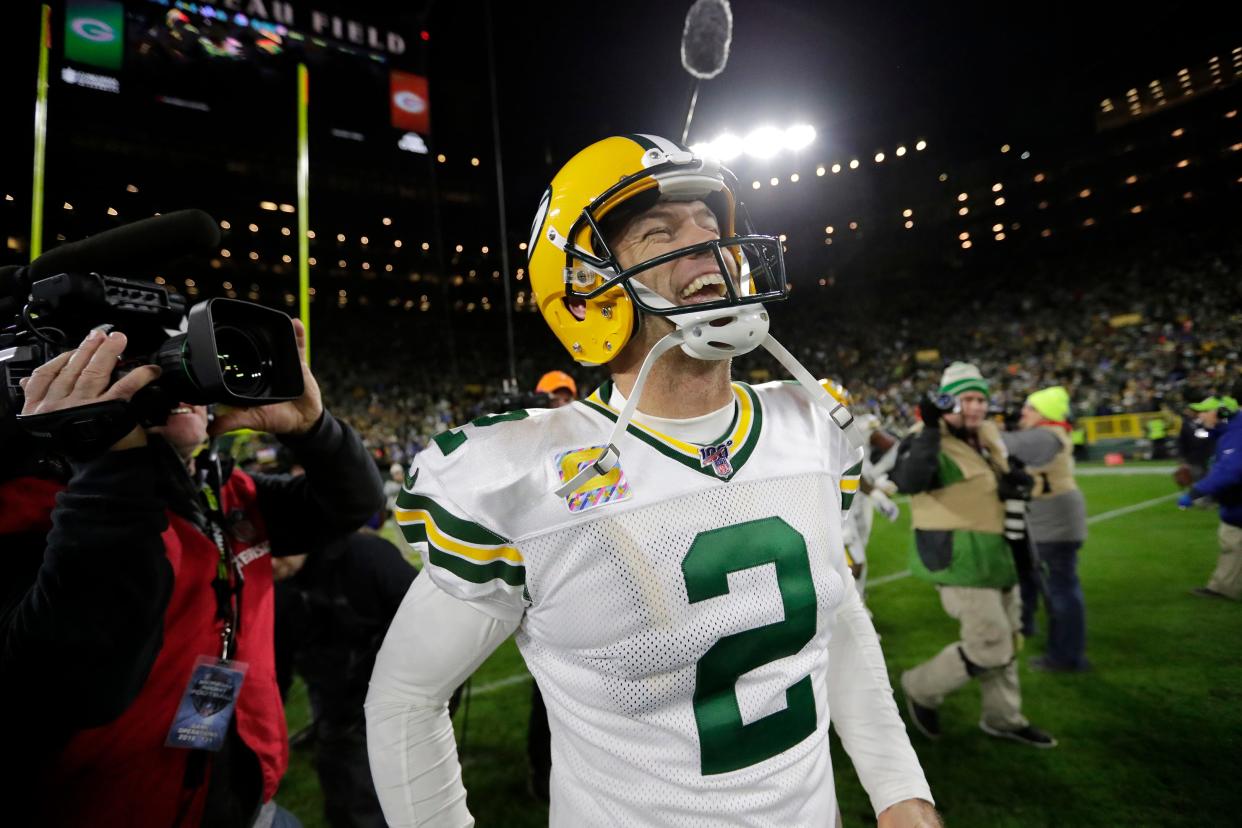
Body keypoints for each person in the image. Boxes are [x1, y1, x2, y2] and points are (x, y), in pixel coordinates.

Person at [367, 134, 938, 827]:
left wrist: (899, 790)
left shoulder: (807, 426)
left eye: (710, 226)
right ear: (583, 295)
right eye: (659, 232)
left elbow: (838, 619)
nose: (705, 246)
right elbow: (405, 699)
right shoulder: (527, 475)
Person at [1, 320, 384, 827]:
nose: (179, 381)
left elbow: (351, 504)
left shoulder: (227, 490)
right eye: (142, 364)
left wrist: (315, 430)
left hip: (243, 798)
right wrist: (105, 459)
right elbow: (77, 681)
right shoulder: (39, 509)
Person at [891, 362, 1056, 748]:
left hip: (1000, 553)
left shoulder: (985, 436)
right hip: (960, 558)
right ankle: (920, 687)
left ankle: (1003, 718)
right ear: (948, 401)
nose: (977, 407)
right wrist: (932, 426)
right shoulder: (925, 435)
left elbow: (984, 487)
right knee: (989, 642)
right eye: (967, 399)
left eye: (981, 399)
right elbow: (911, 481)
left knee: (1008, 639)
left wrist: (1015, 484)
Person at [999, 387, 1090, 672]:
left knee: (1060, 590)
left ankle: (1066, 657)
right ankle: (1043, 635)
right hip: (1051, 520)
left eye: (1030, 408)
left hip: (1054, 523)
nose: (1023, 412)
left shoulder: (1045, 436)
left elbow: (1001, 442)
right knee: (1051, 584)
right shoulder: (1051, 433)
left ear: (1045, 413)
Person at [1178, 396, 1242, 600]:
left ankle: (1224, 588)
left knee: (1231, 542)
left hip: (1238, 506)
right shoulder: (1228, 432)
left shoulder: (1235, 434)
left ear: (1221, 413)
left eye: (1205, 411)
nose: (1200, 415)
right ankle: (1224, 587)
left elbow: (1231, 470)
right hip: (1235, 503)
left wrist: (1196, 491)